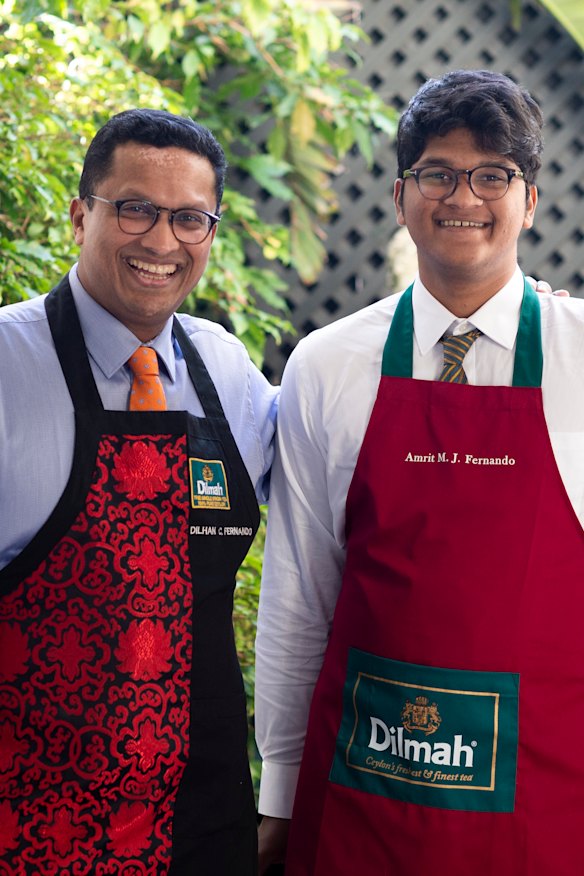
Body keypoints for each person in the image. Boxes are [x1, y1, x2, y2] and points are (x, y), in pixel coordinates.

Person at [255, 69, 584, 875]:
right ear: (403, 196)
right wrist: (280, 791)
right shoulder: (327, 365)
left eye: (493, 175)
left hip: (545, 802)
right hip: (362, 794)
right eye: (437, 172)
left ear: (530, 200)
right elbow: (299, 592)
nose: (462, 195)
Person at [0, 109, 278, 874]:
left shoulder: (227, 370)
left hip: (204, 823)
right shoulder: (5, 362)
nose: (162, 243)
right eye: (135, 210)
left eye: (189, 218)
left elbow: (347, 472)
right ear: (80, 213)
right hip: (32, 826)